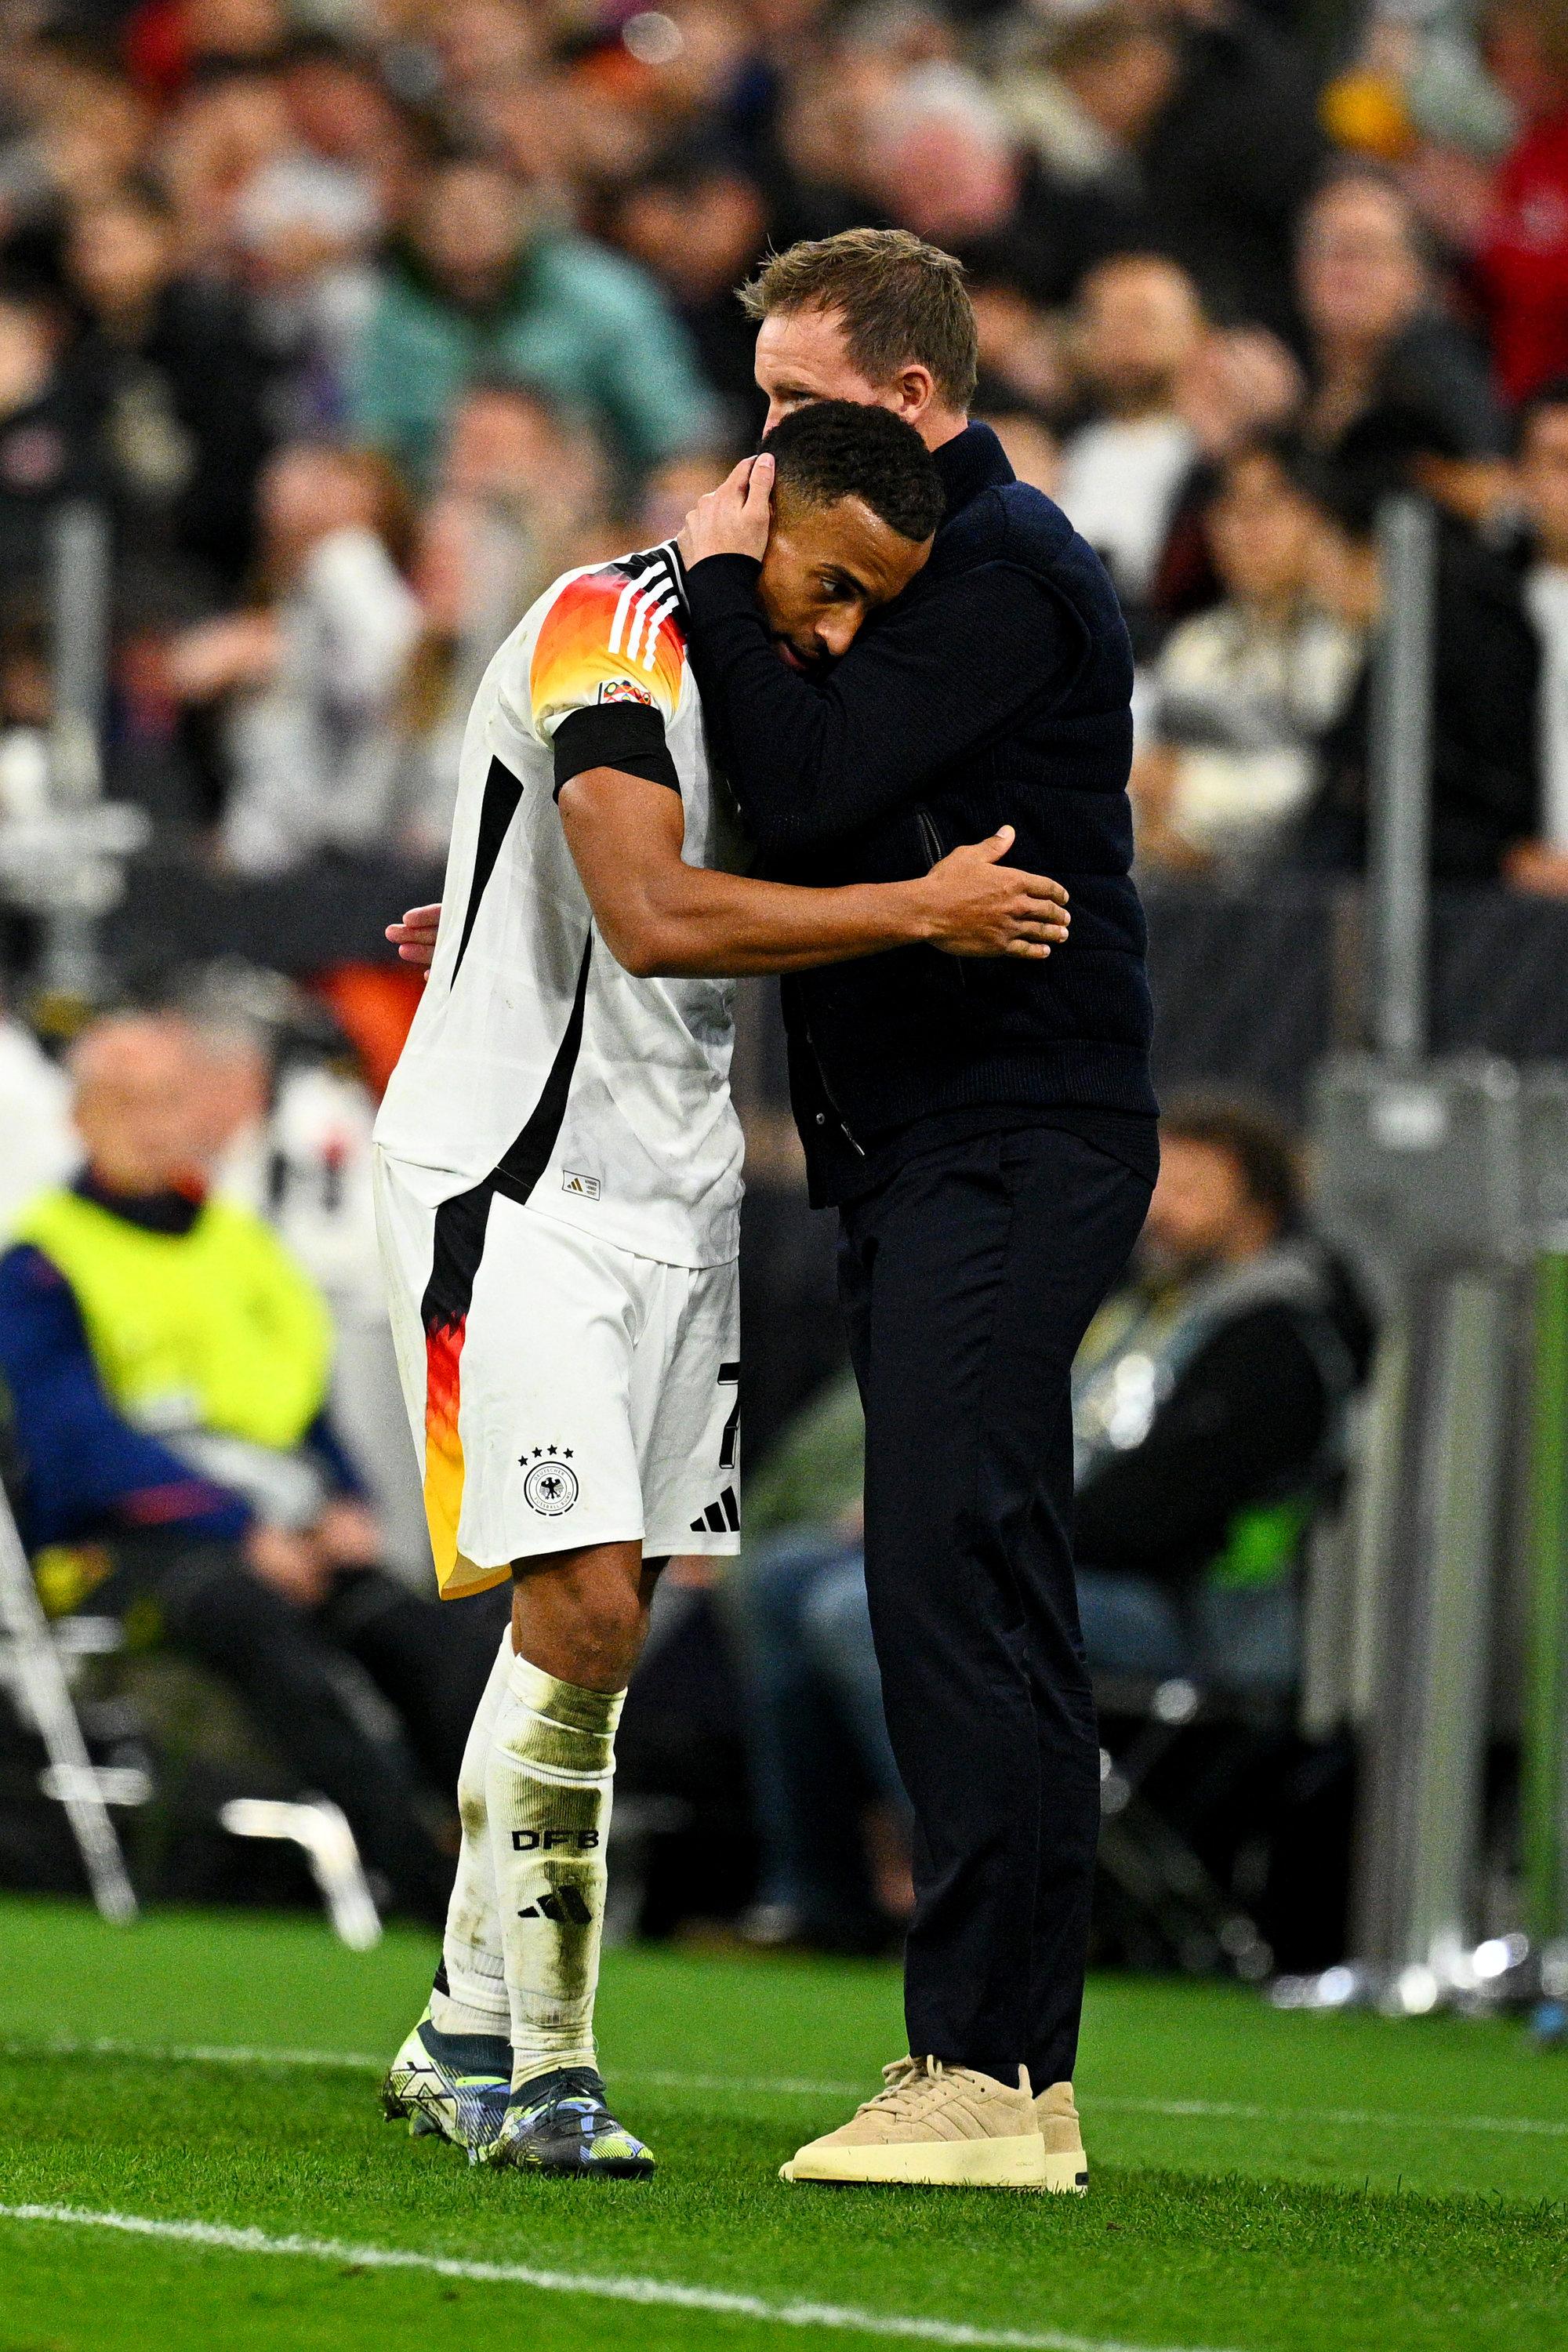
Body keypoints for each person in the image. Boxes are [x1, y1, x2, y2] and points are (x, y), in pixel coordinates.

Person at [373, 397, 1071, 2181]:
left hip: (673, 1205)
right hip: (513, 1182)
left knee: (594, 1635)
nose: (835, 628)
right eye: (826, 583)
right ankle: (546, 2073)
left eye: (868, 609)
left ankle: (460, 2017)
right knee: (590, 1602)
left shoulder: (773, 679)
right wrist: (917, 911)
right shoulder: (606, 623)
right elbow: (653, 915)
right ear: (766, 511)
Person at [672, 227, 1156, 2193]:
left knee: (947, 1575)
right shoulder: (911, 575)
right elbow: (794, 817)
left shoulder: (997, 574)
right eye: (762, 401)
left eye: (798, 404)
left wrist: (708, 580)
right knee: (982, 1580)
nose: (763, 440)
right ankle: (1018, 2077)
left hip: (1003, 1131)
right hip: (933, 1140)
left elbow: (794, 788)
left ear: (913, 403)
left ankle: (970, 2061)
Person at [0, 1012, 497, 1922]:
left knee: (427, 1638)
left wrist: (345, 1502)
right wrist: (244, 1532)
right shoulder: (40, 1263)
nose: (150, 1124)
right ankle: (424, 1888)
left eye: (168, 1102)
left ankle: (510, 1868)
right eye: (124, 1103)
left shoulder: (246, 1252)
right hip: (121, 1549)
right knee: (260, 1625)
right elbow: (78, 1448)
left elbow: (303, 1405)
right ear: (78, 1117)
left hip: (281, 1530)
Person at [1073, 1098, 1370, 1693]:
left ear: (1259, 1202)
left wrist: (1002, 1533)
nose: (1157, 1211)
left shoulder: (1276, 1332)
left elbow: (1160, 1504)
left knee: (876, 1609)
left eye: (1187, 1190)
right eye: (1155, 1187)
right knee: (845, 1576)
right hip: (1092, 1566)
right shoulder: (1160, 1300)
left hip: (1200, 1615)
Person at [1131, 437, 1363, 877]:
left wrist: (1188, 788)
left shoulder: (1346, 646)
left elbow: (1321, 785)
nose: (1247, 530)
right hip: (1191, 902)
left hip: (1310, 898)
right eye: (1232, 511)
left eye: (1268, 507)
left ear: (1316, 518)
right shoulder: (1194, 646)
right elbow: (1146, 784)